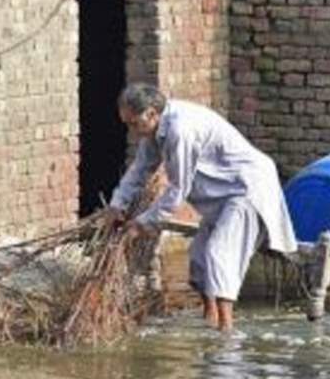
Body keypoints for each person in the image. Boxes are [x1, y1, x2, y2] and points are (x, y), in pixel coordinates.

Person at [106, 84, 296, 333]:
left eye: (133, 123)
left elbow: (178, 190)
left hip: (245, 189)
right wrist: (117, 204)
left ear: (152, 114)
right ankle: (209, 319)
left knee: (219, 253)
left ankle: (226, 332)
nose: (132, 131)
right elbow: (140, 169)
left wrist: (142, 223)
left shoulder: (180, 130)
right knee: (198, 257)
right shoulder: (154, 132)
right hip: (221, 194)